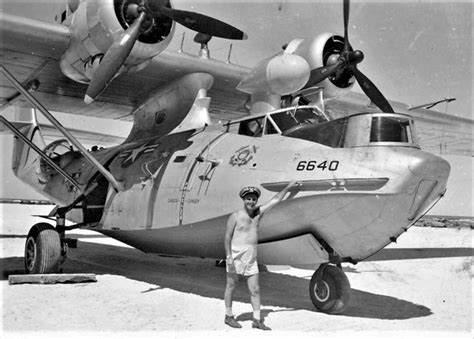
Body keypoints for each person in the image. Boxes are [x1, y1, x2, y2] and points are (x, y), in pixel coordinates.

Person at [223, 180, 297, 330]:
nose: (251, 201)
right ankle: (228, 316)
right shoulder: (235, 216)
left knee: (255, 289)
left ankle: (257, 320)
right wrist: (229, 257)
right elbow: (227, 237)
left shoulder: (258, 213)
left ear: (256, 200)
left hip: (251, 255)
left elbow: (275, 200)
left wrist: (289, 187)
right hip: (236, 254)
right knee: (231, 285)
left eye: (253, 199)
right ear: (243, 200)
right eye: (248, 198)